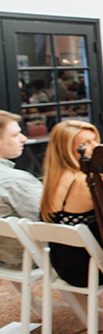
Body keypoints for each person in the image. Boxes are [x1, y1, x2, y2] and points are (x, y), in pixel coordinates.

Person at [40, 121, 103, 287]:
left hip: (62, 265)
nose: (95, 147)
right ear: (65, 150)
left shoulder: (53, 178)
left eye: (94, 140)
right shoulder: (84, 181)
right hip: (90, 269)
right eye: (85, 144)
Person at [0, 111, 43, 268]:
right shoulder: (15, 180)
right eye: (15, 134)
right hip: (24, 257)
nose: (23, 138)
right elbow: (48, 219)